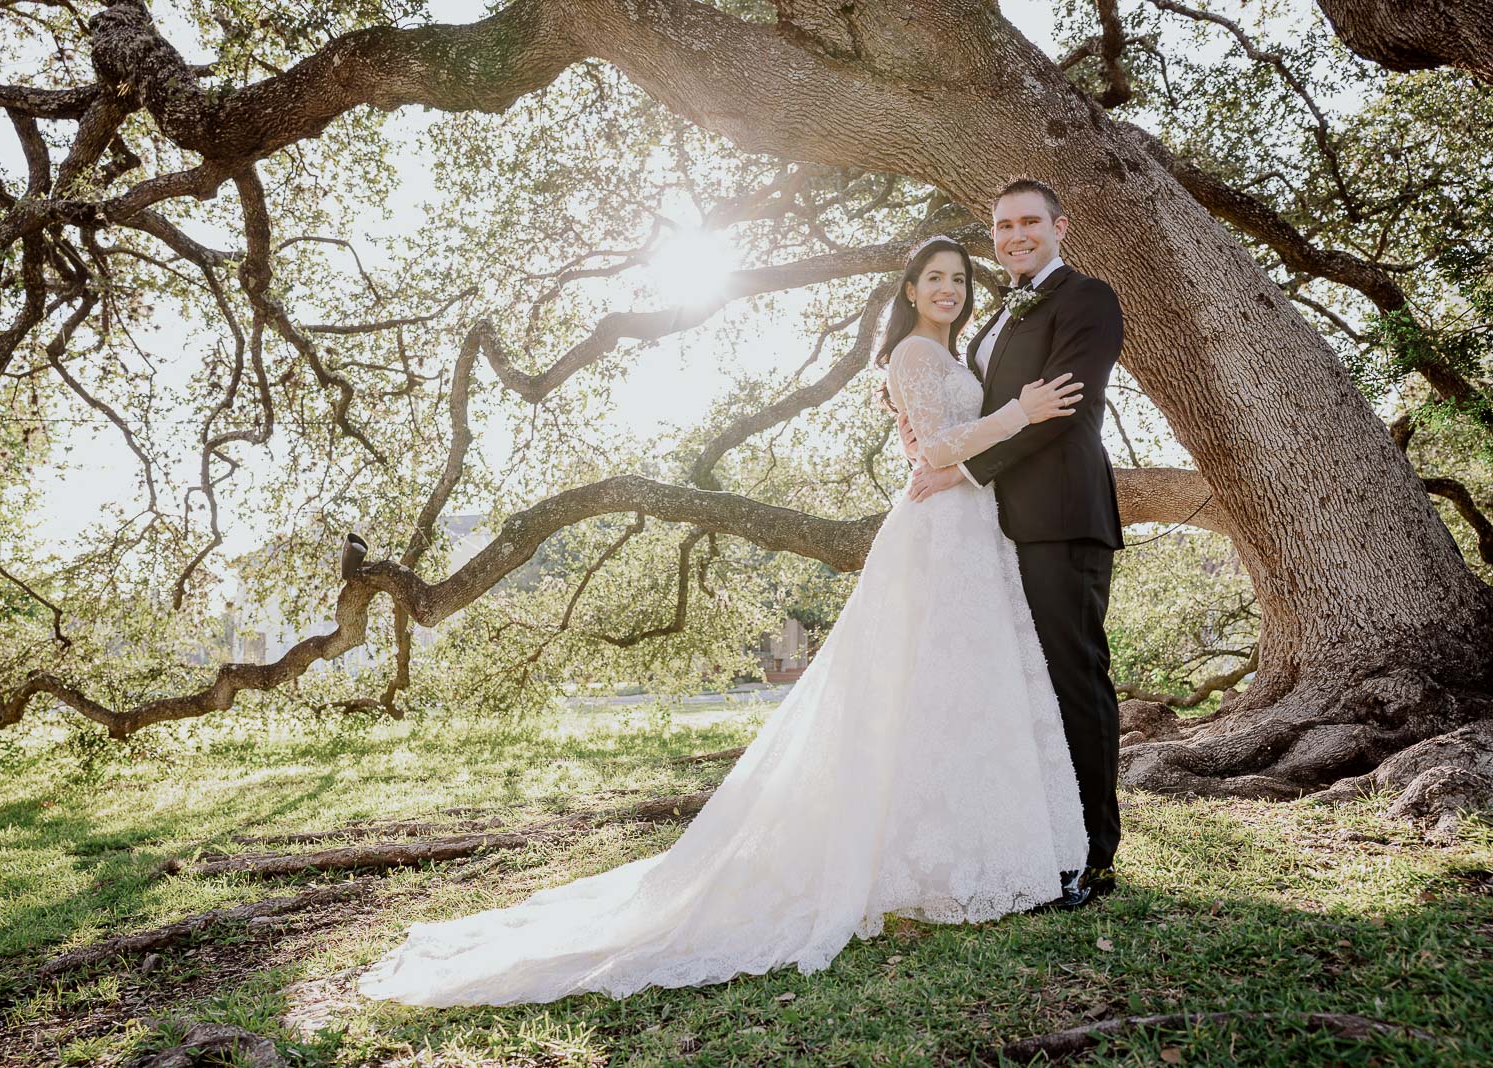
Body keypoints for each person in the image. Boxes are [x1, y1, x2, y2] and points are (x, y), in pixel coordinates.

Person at [358, 234, 1087, 1008]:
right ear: (909, 290)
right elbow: (936, 446)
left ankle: (974, 853)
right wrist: (1019, 412)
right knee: (924, 687)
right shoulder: (911, 355)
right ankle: (924, 865)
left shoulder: (956, 356)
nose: (948, 289)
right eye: (933, 279)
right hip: (937, 537)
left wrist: (963, 448)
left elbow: (941, 453)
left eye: (956, 279)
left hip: (968, 528)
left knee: (961, 689)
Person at [903, 177, 1126, 905]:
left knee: (1074, 681)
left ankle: (1094, 856)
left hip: (1063, 520)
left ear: (1060, 226)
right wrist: (928, 437)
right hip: (1001, 531)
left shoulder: (1088, 301)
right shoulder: (998, 315)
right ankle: (1046, 843)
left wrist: (962, 468)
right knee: (1026, 691)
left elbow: (1059, 414)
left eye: (1030, 222)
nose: (1015, 236)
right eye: (1002, 227)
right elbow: (970, 406)